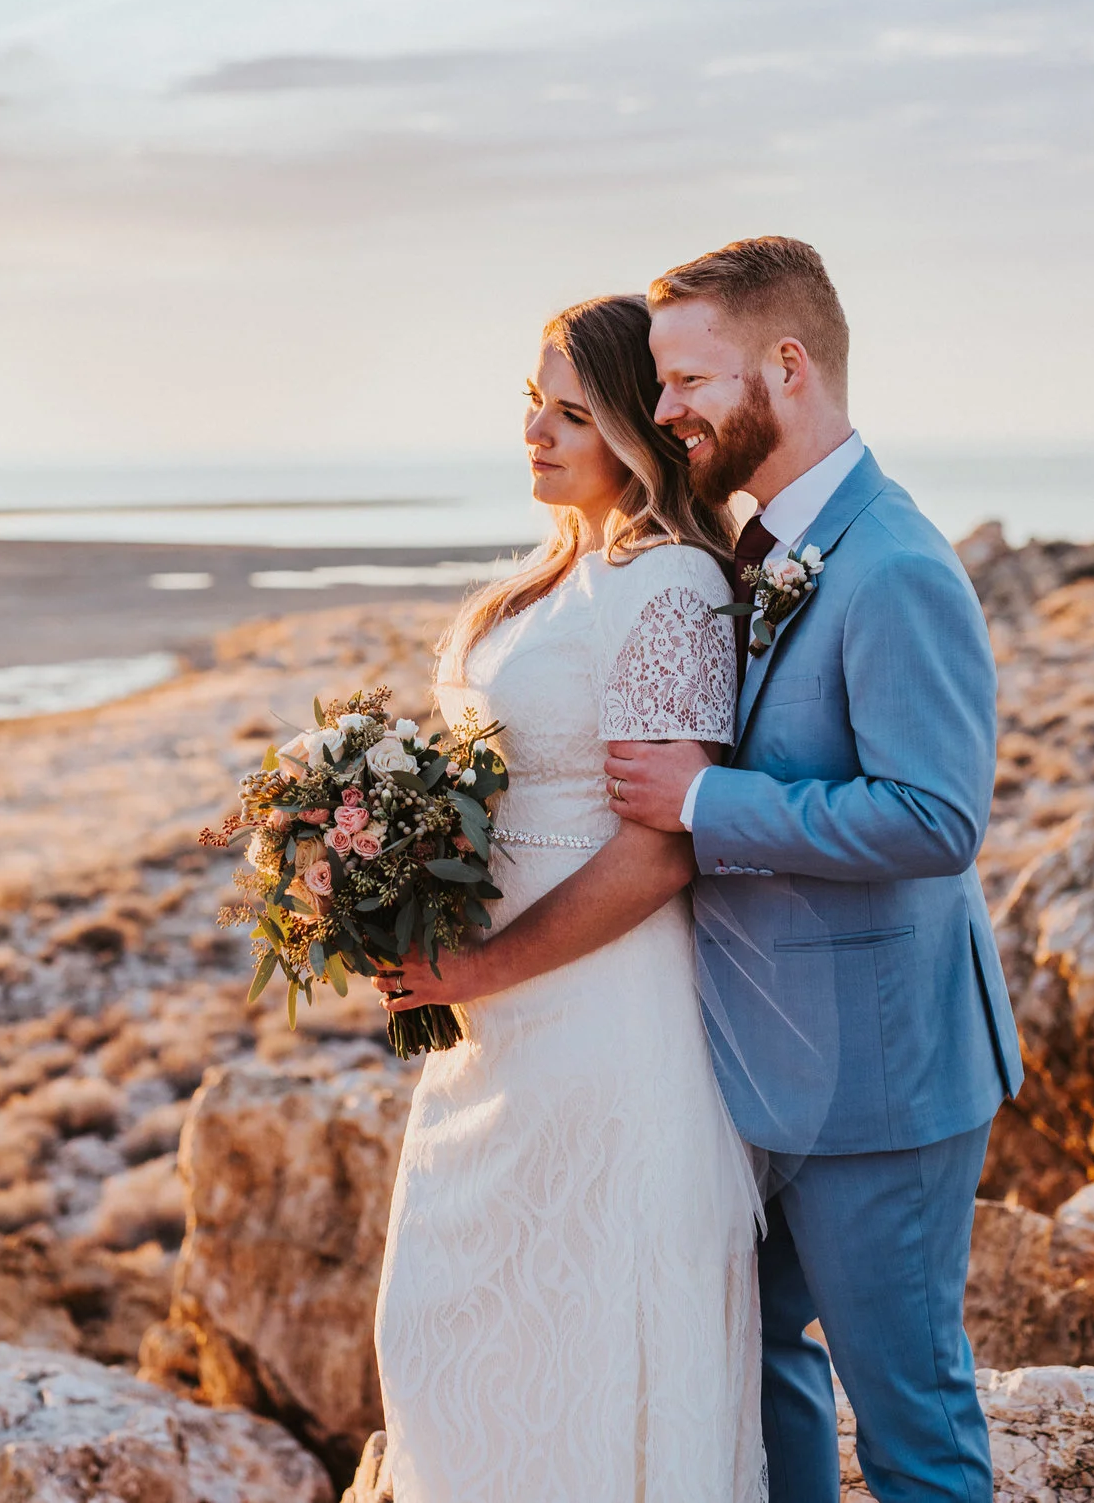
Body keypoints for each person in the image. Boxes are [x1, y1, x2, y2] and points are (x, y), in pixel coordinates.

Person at [603, 237, 1024, 1503]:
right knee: (762, 1365)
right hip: (763, 1067)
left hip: (884, 1079)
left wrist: (705, 800)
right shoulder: (763, 545)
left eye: (687, 380)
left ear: (788, 367)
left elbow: (934, 817)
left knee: (911, 1420)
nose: (664, 409)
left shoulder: (892, 565)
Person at [371, 293, 764, 1503]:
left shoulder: (671, 587)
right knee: (448, 1321)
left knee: (584, 1335)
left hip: (604, 1024)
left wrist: (474, 968)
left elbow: (660, 850)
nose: (536, 435)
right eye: (531, 407)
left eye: (572, 413)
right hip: (492, 1029)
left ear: (638, 433)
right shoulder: (541, 586)